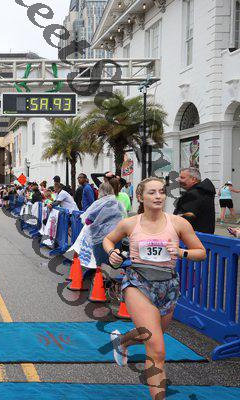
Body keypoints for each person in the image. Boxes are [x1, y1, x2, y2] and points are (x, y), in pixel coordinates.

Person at [103, 177, 206, 400]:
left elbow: (201, 252)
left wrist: (181, 252)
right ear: (140, 197)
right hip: (138, 283)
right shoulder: (130, 223)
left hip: (168, 286)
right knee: (157, 350)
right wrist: (112, 253)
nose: (158, 196)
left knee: (149, 335)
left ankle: (122, 341)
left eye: (161, 192)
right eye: (152, 192)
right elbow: (108, 240)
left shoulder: (178, 223)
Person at [81, 181, 125, 267]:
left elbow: (88, 220)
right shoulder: (117, 202)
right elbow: (123, 217)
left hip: (99, 237)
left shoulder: (98, 203)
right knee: (114, 260)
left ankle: (101, 274)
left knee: (101, 262)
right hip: (116, 235)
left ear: (101, 191)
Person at [174, 167, 216, 234]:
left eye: (182, 178)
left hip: (192, 236)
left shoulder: (194, 195)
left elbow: (182, 219)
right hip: (203, 235)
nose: (179, 180)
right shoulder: (204, 192)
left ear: (193, 179)